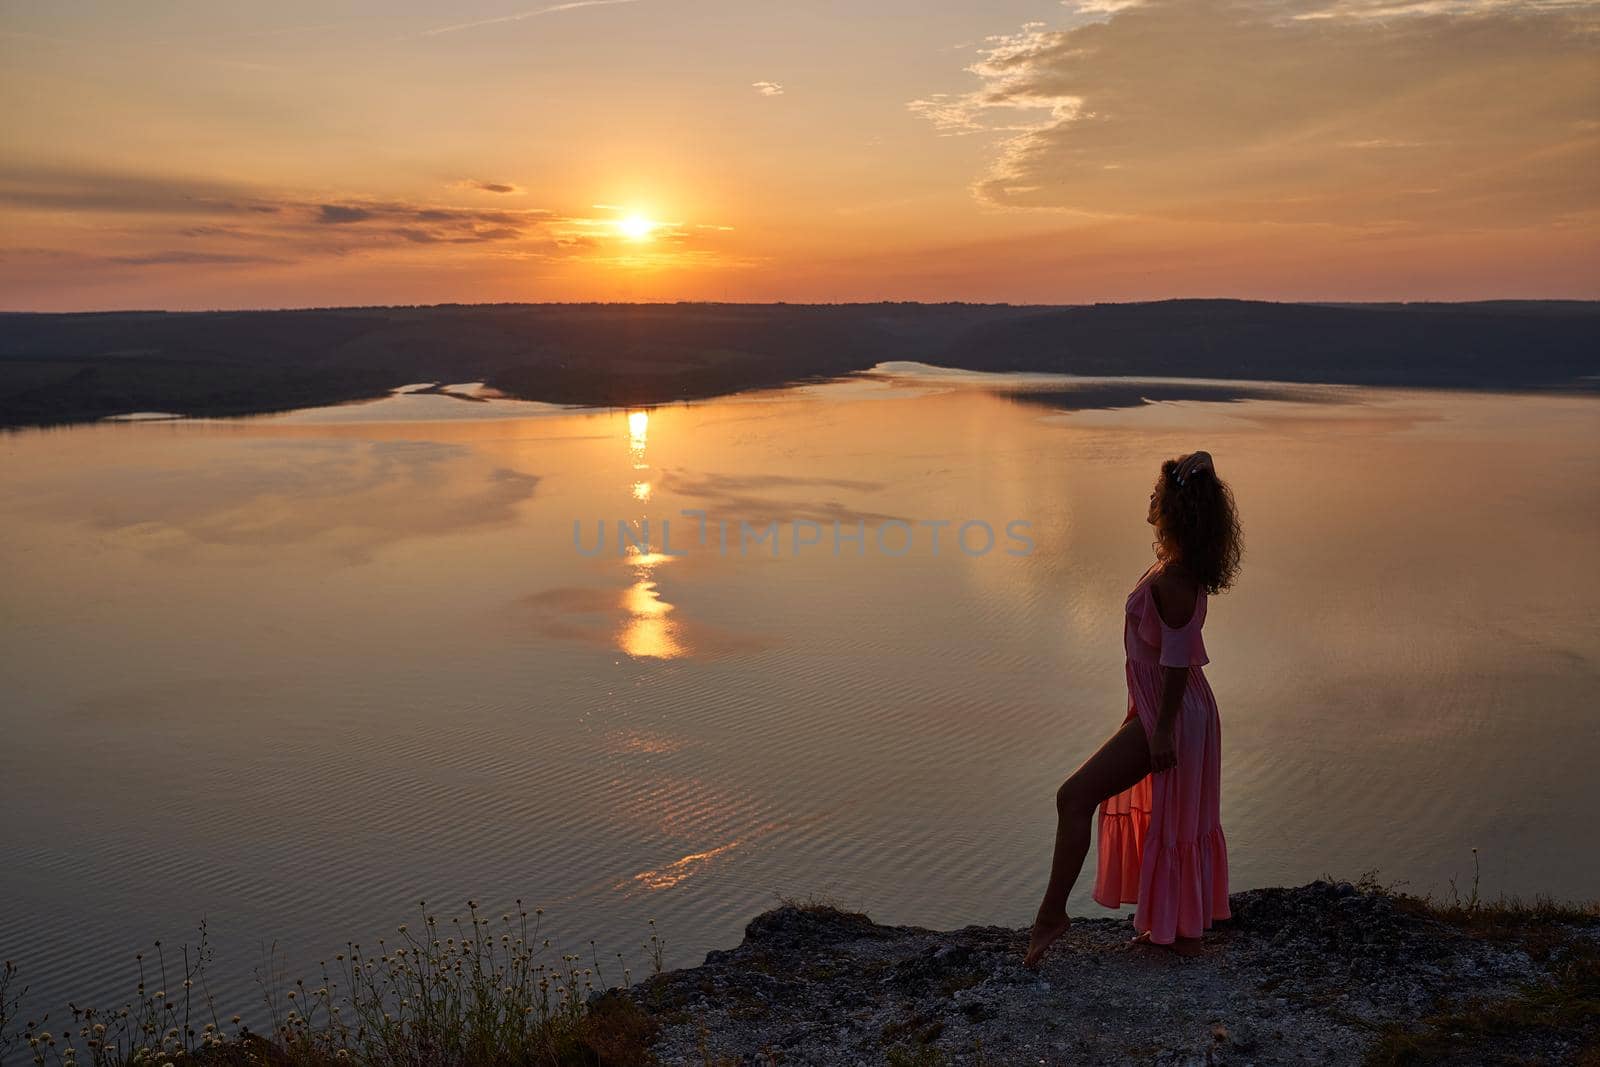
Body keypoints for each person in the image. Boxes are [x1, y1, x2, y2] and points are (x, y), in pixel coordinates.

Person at [1024, 450, 1242, 967]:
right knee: (1169, 817)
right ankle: (1177, 925)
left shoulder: (1175, 581)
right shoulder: (1174, 567)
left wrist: (1161, 729)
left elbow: (1175, 662)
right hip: (1170, 711)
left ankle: (1051, 916)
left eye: (1158, 496)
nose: (1150, 500)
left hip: (1174, 712)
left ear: (1175, 511)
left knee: (1073, 796)